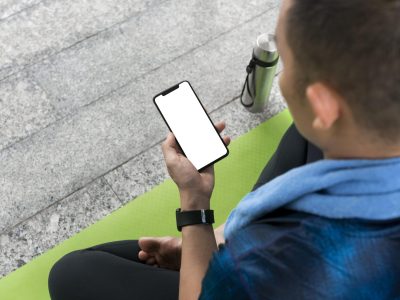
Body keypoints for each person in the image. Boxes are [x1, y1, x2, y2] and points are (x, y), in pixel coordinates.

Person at [48, 0, 400, 299]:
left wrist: (195, 204)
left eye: (289, 65)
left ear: (324, 104)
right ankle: (223, 239)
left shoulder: (278, 263)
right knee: (304, 133)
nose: (281, 78)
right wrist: (214, 241)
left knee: (72, 271)